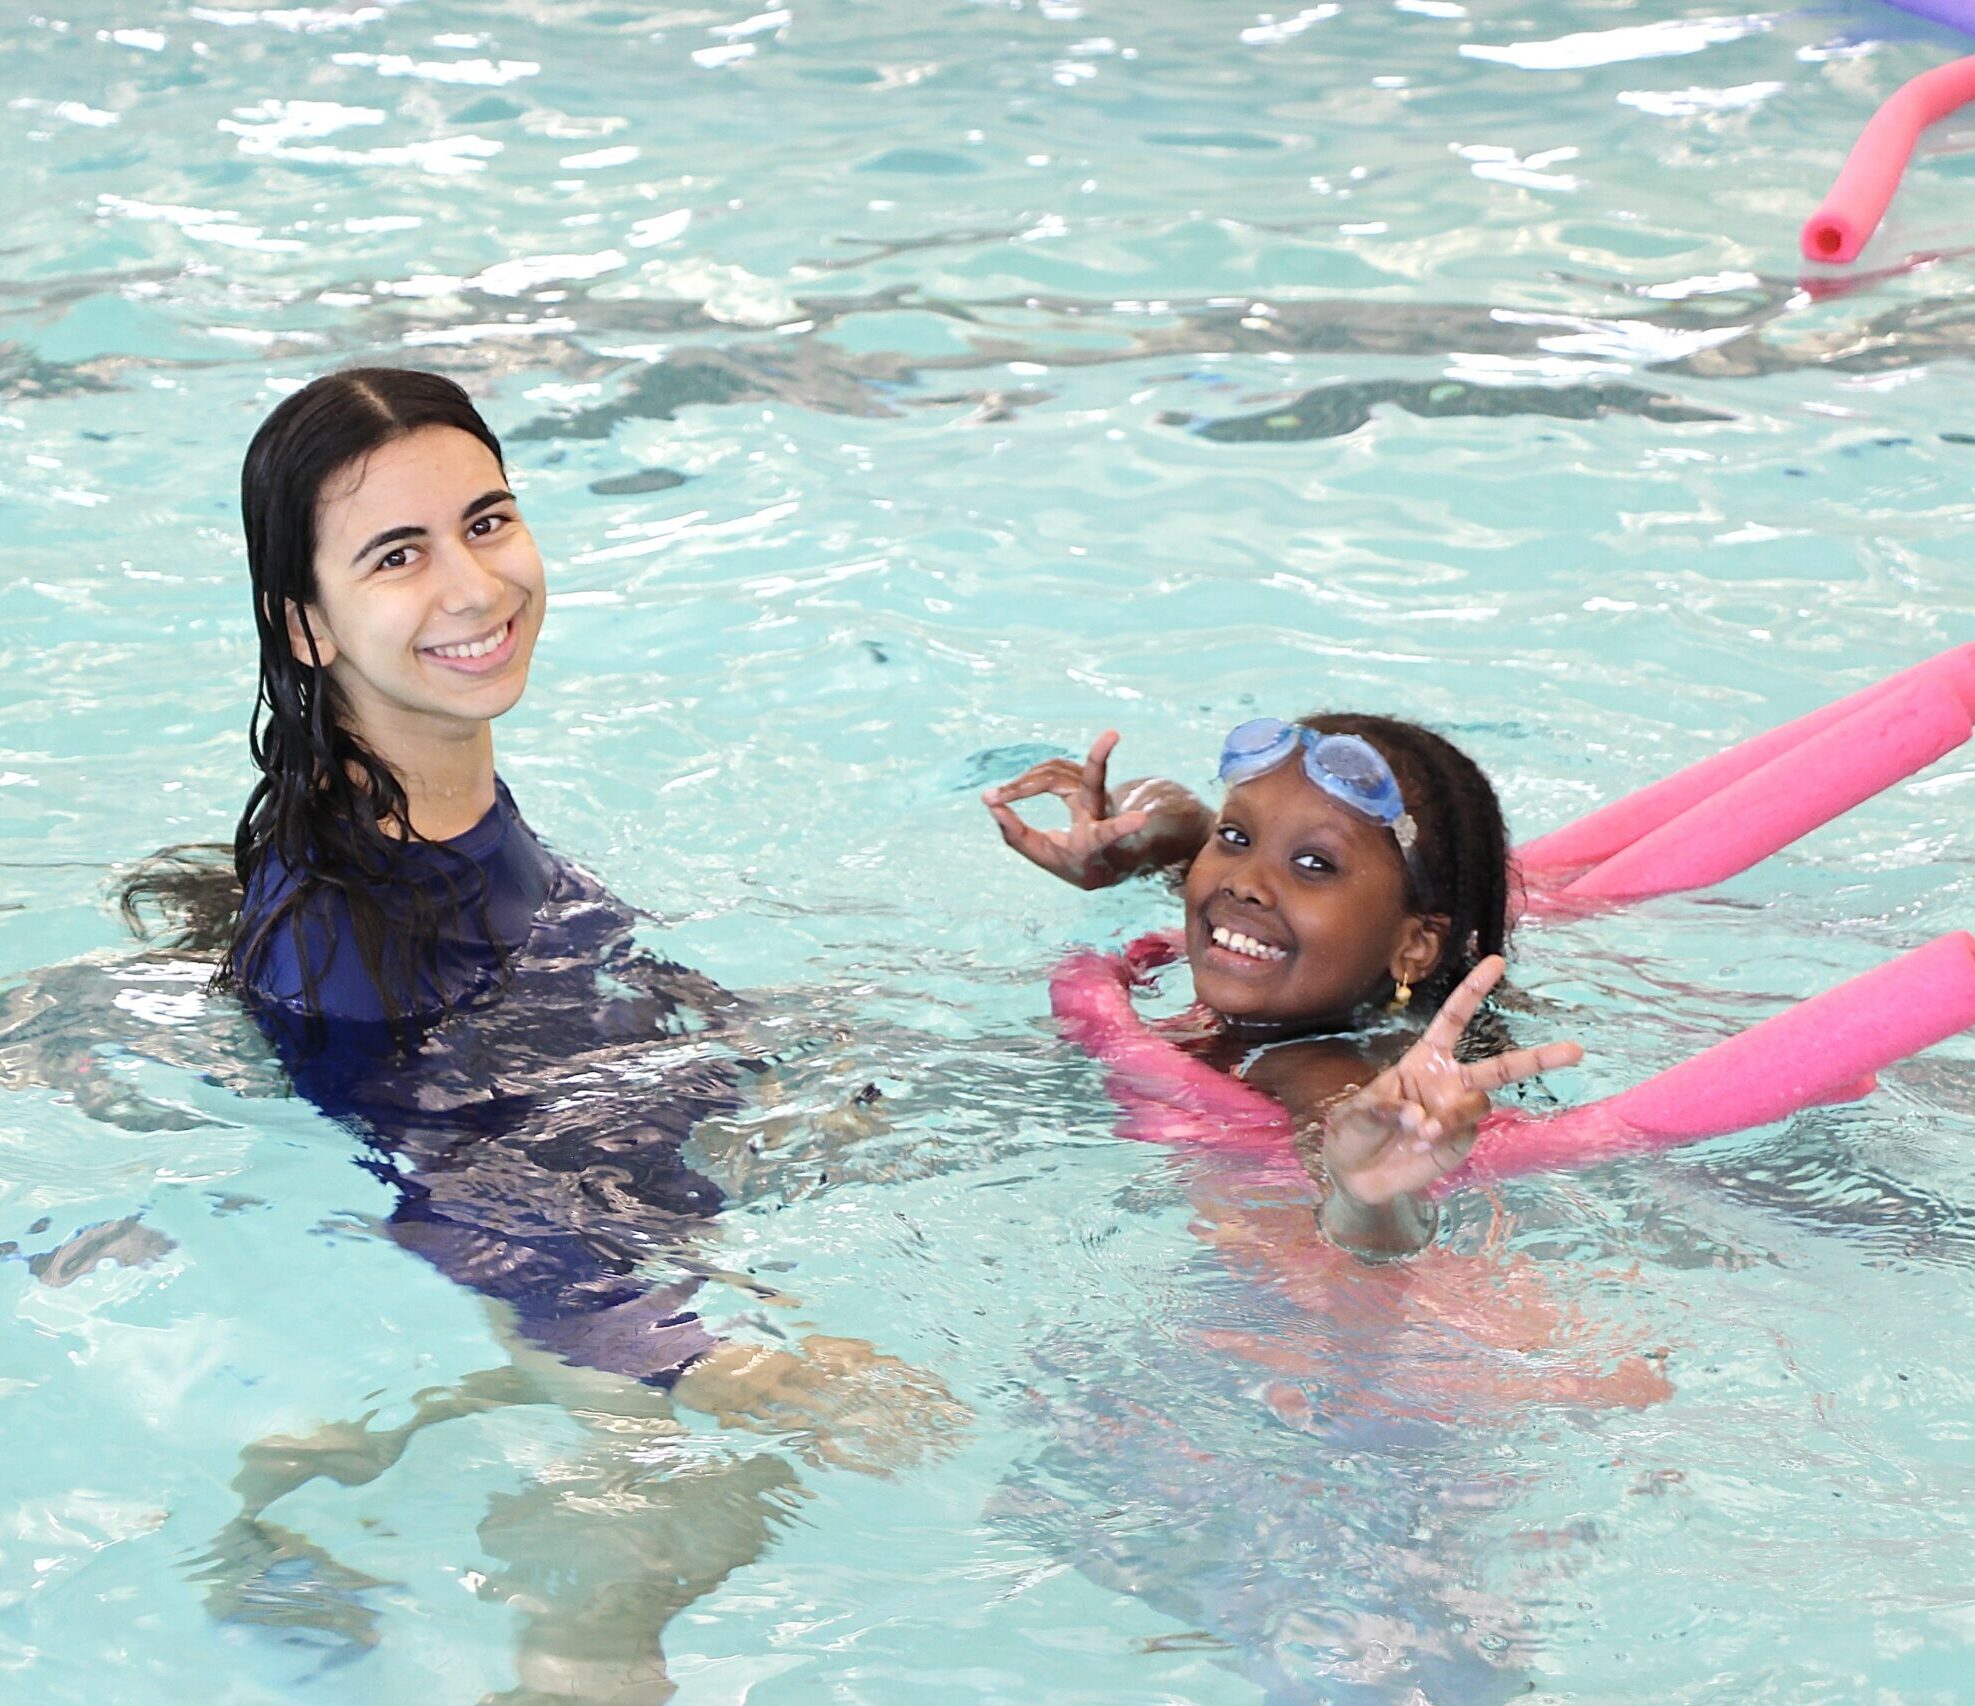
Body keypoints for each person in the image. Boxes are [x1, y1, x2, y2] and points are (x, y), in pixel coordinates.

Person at [119, 366, 958, 1698]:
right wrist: (723, 1366)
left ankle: (317, 1471)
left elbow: (571, 966)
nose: (472, 585)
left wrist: (759, 1060)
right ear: (308, 624)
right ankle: (325, 1500)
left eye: (488, 521)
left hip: (617, 1200)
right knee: (644, 1563)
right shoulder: (344, 934)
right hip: (553, 1277)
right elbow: (457, 1199)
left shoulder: (437, 803)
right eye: (399, 555)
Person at [983, 716, 1582, 1257]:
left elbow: (1362, 1185)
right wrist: (1136, 838)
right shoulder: (1289, 954)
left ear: (1413, 946)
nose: (1245, 883)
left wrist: (1367, 1201)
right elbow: (1185, 823)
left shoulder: (1314, 1068)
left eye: (1315, 864)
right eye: (1237, 838)